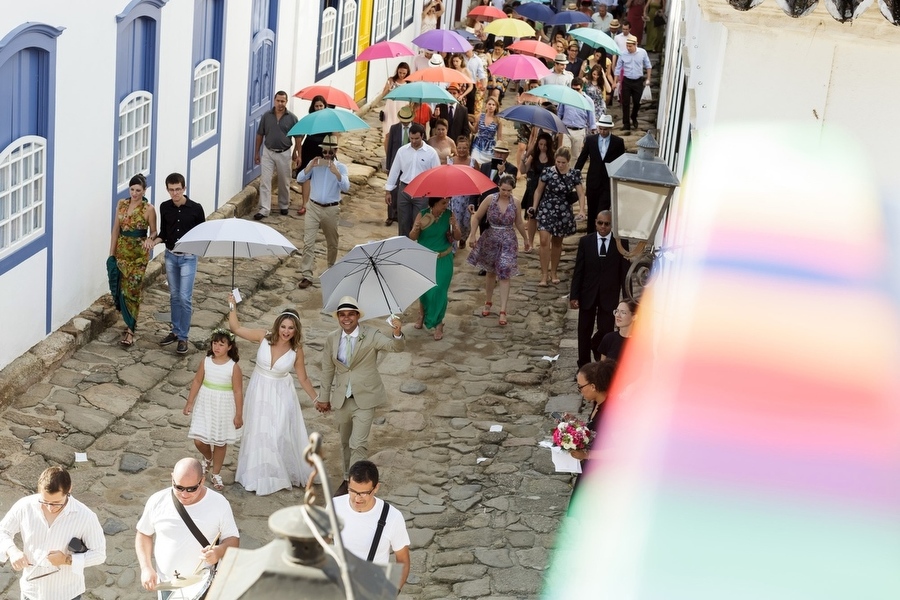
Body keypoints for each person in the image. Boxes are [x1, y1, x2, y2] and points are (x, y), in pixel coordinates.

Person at [227, 302, 319, 495]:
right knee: (258, 431)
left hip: (281, 395)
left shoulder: (297, 351)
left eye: (291, 328)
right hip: (259, 391)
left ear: (296, 330)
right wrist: (232, 305)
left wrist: (316, 399)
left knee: (276, 434)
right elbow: (235, 328)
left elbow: (303, 377)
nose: (286, 331)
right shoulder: (263, 337)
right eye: (283, 326)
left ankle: (275, 474)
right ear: (278, 325)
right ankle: (257, 474)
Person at [318, 297, 405, 496]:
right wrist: (324, 397)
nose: (346, 318)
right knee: (345, 443)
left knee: (358, 444)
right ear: (338, 317)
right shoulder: (332, 338)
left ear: (357, 316)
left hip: (365, 398)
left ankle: (355, 484)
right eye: (342, 314)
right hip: (341, 399)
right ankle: (346, 476)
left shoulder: (371, 334)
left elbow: (395, 347)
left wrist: (397, 332)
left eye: (350, 314)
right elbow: (327, 370)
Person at [136, 458, 239, 598]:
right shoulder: (157, 501)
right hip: (168, 584)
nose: (184, 494)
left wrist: (219, 551)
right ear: (172, 478)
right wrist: (146, 567)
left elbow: (233, 539)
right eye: (178, 487)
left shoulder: (219, 504)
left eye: (192, 489)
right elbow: (144, 534)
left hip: (205, 585)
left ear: (202, 481)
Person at [0, 466, 106, 600]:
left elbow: (99, 554)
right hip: (31, 592)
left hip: (67, 594)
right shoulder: (24, 506)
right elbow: (3, 531)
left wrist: (67, 560)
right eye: (45, 501)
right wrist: (12, 551)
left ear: (69, 490)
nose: (50, 508)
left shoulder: (86, 516)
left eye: (56, 503)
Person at [144, 172, 206, 355]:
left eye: (178, 189)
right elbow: (165, 232)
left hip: (188, 257)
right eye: (171, 190)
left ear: (184, 188)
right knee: (174, 296)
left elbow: (201, 233)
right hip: (171, 256)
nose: (175, 193)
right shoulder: (165, 207)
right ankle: (175, 330)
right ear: (167, 190)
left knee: (185, 298)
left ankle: (183, 337)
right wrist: (154, 241)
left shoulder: (196, 208)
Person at [333, 460, 411, 591]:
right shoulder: (334, 505)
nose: (357, 498)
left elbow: (403, 560)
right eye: (353, 491)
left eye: (364, 493)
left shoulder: (392, 517)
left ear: (376, 488)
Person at [183, 328, 244, 492]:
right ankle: (208, 456)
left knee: (220, 441)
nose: (217, 347)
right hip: (206, 403)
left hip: (223, 406)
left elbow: (238, 391)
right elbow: (197, 381)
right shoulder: (206, 361)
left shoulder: (233, 367)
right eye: (215, 343)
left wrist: (238, 414)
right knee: (198, 439)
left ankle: (216, 473)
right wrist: (190, 402)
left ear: (229, 347)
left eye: (222, 344)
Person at [467, 175, 530, 326]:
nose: (506, 193)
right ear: (498, 186)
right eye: (503, 189)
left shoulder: (515, 203)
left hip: (508, 240)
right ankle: (488, 301)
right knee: (490, 272)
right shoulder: (490, 199)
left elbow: (519, 223)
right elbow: (476, 217)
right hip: (491, 238)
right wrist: (472, 234)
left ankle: (503, 310)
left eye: (509, 190)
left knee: (505, 272)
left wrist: (526, 239)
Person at [569, 211, 629, 368]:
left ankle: (600, 358)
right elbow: (579, 270)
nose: (603, 227)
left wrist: (626, 296)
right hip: (587, 294)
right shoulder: (586, 242)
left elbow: (624, 272)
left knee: (606, 330)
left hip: (609, 295)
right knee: (583, 331)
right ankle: (583, 366)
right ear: (595, 223)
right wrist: (574, 295)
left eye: (607, 224)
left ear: (612, 225)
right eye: (600, 223)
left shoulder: (620, 243)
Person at [109, 173, 157, 347]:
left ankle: (130, 330)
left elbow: (153, 231)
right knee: (122, 289)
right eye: (132, 189)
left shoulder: (148, 209)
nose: (135, 193)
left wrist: (150, 240)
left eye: (138, 190)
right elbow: (115, 229)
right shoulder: (121, 204)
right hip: (122, 252)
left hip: (138, 256)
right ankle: (128, 320)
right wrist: (111, 254)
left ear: (144, 191)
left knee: (133, 291)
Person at [296, 135, 350, 290]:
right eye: (325, 152)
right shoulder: (316, 164)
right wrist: (309, 167)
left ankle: (331, 269)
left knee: (332, 242)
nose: (327, 155)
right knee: (308, 241)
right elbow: (300, 179)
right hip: (313, 207)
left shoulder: (341, 167)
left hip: (331, 209)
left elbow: (346, 187)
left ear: (335, 151)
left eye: (330, 152)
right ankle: (307, 274)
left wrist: (337, 173)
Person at [532, 147, 586, 286]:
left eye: (563, 162)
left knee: (557, 242)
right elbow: (538, 191)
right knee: (544, 240)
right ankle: (544, 274)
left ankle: (553, 271)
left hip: (563, 211)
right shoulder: (547, 172)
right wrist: (534, 207)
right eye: (558, 162)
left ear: (568, 161)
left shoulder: (574, 174)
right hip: (546, 208)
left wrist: (581, 210)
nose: (560, 165)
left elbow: (581, 193)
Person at [410, 197, 462, 340]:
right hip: (425, 258)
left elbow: (457, 237)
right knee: (425, 289)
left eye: (447, 202)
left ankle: (438, 323)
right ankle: (422, 315)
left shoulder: (450, 215)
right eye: (443, 203)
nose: (447, 205)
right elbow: (412, 236)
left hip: (444, 258)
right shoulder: (422, 214)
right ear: (434, 203)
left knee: (439, 290)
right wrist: (416, 228)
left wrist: (455, 226)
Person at [384, 123, 441, 237]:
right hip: (405, 188)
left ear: (422, 136)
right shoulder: (402, 151)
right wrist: (388, 191)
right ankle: (403, 246)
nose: (414, 141)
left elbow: (436, 175)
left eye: (417, 138)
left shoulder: (431, 153)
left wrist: (435, 196)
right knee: (403, 221)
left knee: (419, 223)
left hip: (422, 191)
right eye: (411, 138)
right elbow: (394, 171)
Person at [571, 359, 617, 494]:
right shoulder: (597, 402)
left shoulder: (612, 411)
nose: (580, 391)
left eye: (580, 387)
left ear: (593, 386)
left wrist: (586, 455)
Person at [253, 90, 300, 220]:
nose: (280, 103)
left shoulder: (292, 118)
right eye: (278, 101)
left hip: (284, 153)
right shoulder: (266, 116)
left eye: (283, 101)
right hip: (268, 152)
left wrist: (298, 153)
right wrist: (256, 152)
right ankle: (264, 209)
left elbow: (298, 137)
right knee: (265, 181)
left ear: (286, 102)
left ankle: (284, 204)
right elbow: (260, 134)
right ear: (274, 101)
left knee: (284, 180)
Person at [574, 114, 626, 227]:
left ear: (610, 129)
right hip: (593, 181)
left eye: (605, 129)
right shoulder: (590, 140)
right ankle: (590, 239)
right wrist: (574, 174)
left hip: (608, 183)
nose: (602, 131)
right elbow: (582, 158)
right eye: (600, 129)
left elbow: (622, 163)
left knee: (602, 211)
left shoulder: (618, 142)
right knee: (592, 211)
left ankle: (601, 236)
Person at [520, 131, 555, 250]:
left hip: (548, 190)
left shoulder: (552, 158)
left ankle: (545, 242)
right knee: (532, 216)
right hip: (533, 187)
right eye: (541, 144)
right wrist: (523, 158)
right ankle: (530, 242)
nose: (543, 147)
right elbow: (524, 170)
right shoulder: (534, 156)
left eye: (545, 145)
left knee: (546, 216)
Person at [384, 106, 416, 227]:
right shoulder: (394, 128)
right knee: (393, 188)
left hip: (411, 164)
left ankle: (407, 214)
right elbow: (390, 147)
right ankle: (391, 215)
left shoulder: (417, 128)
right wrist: (388, 166)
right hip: (396, 162)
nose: (405, 122)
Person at [297, 95, 328, 216]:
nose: (319, 108)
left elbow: (335, 137)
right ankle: (304, 204)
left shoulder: (329, 120)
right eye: (316, 106)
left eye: (321, 105)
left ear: (325, 106)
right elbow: (301, 136)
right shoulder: (309, 119)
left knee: (322, 177)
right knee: (306, 177)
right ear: (313, 107)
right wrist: (298, 153)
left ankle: (319, 204)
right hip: (309, 149)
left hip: (323, 150)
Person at [616, 34, 651, 131]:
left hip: (638, 81)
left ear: (636, 44)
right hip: (626, 80)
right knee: (625, 103)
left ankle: (634, 116)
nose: (628, 48)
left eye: (630, 46)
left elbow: (648, 65)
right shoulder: (623, 54)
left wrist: (648, 79)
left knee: (637, 102)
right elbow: (618, 68)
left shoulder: (642, 53)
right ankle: (626, 123)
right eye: (627, 46)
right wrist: (616, 81)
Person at [557, 78, 597, 159]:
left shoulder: (588, 100)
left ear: (582, 88)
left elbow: (591, 116)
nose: (575, 91)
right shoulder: (565, 97)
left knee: (576, 156)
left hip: (579, 130)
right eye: (573, 89)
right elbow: (559, 113)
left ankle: (572, 171)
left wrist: (593, 130)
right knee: (564, 153)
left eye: (577, 89)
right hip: (566, 129)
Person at [450, 136, 477, 247]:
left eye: (464, 148)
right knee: (454, 220)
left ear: (468, 149)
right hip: (454, 196)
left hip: (467, 195)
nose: (461, 150)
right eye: (459, 148)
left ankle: (463, 237)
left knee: (465, 222)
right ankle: (453, 244)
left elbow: (477, 180)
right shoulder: (450, 161)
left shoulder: (473, 162)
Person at [381, 62, 411, 150]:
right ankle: (388, 156)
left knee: (400, 135)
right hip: (390, 109)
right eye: (400, 72)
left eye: (404, 73)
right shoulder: (391, 80)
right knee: (387, 135)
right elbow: (383, 96)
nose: (401, 75)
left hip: (401, 110)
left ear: (407, 73)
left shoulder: (409, 84)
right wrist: (388, 89)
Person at [470, 97, 503, 166]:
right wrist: (468, 123)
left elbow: (499, 137)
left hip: (490, 147)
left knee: (492, 168)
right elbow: (475, 130)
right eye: (489, 104)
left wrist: (500, 150)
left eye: (493, 105)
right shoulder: (480, 116)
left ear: (496, 107)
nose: (491, 106)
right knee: (473, 163)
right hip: (478, 144)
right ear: (486, 105)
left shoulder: (498, 120)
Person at [464, 44, 488, 117]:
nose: (466, 51)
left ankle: (469, 122)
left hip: (472, 83)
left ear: (472, 48)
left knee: (470, 104)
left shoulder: (478, 60)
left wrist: (483, 85)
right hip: (462, 83)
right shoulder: (462, 57)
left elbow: (481, 73)